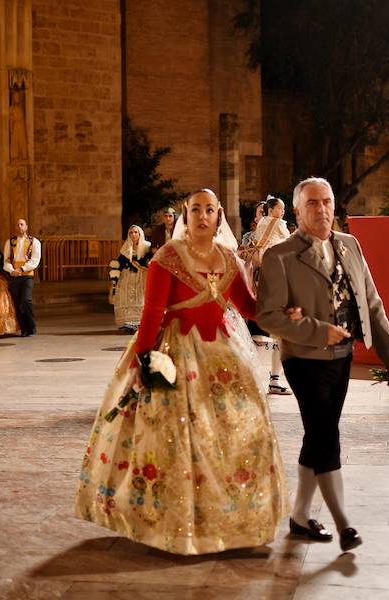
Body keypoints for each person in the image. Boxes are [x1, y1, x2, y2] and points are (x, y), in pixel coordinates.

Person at [75, 189, 287, 555]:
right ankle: (172, 524)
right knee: (174, 439)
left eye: (209, 210)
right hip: (175, 354)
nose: (202, 216)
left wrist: (283, 312)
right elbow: (152, 313)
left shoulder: (229, 259)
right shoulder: (166, 258)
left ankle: (229, 519)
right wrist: (142, 360)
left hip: (224, 357)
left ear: (219, 216)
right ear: (186, 216)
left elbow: (249, 308)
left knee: (235, 433)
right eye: (195, 210)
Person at [257, 177, 389, 552]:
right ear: (297, 210)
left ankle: (300, 516)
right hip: (304, 360)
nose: (321, 209)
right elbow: (268, 315)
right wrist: (316, 329)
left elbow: (372, 303)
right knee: (327, 436)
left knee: (318, 435)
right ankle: (344, 525)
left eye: (327, 202)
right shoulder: (281, 256)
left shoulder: (350, 245)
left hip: (342, 359)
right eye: (312, 204)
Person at [247, 195, 293, 395]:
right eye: (280, 208)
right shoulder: (273, 223)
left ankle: (271, 378)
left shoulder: (265, 224)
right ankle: (272, 378)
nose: (283, 212)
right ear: (271, 209)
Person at [3, 218, 41, 337]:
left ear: (26, 227)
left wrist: (22, 269)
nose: (19, 226)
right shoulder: (9, 242)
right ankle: (23, 328)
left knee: (26, 300)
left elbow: (35, 260)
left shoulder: (34, 242)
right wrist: (11, 270)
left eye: (22, 224)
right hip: (14, 275)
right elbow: (7, 259)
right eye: (17, 224)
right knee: (17, 302)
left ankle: (31, 326)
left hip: (27, 275)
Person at [112, 225, 152, 333]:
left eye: (135, 232)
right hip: (127, 278)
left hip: (142, 276)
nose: (133, 235)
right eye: (131, 233)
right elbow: (119, 263)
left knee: (140, 298)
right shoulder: (126, 247)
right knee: (126, 298)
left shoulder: (147, 247)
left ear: (140, 234)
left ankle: (141, 322)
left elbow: (151, 261)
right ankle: (128, 323)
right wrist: (115, 274)